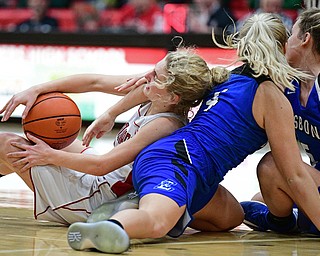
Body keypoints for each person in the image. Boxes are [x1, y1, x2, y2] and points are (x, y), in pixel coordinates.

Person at [62, 13, 320, 254]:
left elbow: (148, 87)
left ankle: (144, 203)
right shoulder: (273, 97)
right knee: (157, 223)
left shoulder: (224, 77)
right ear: (283, 48)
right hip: (177, 161)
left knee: (232, 217)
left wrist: (112, 112)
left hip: (194, 170)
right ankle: (116, 226)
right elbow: (294, 176)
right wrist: (111, 114)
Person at [0, 47, 229, 225]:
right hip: (102, 181)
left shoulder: (164, 124)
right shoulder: (154, 91)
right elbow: (94, 82)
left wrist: (48, 156)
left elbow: (102, 165)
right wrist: (37, 90)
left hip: (97, 200)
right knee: (44, 140)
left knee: (7, 144)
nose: (145, 75)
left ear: (173, 98)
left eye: (155, 75)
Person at [239, 7, 320, 236]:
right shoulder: (288, 84)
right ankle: (296, 220)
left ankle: (297, 222)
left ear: (305, 39)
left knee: (272, 167)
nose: (286, 42)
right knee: (261, 196)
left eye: (291, 34)